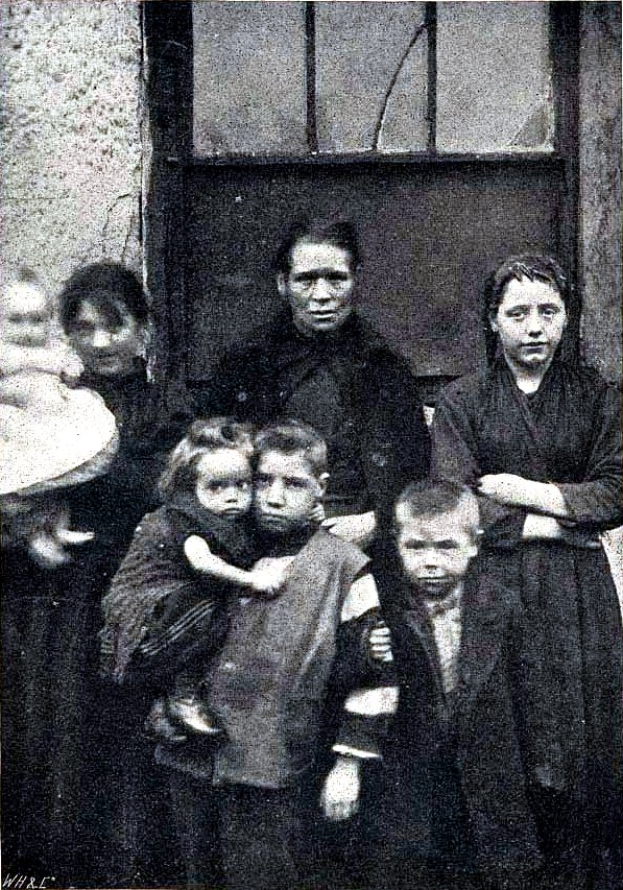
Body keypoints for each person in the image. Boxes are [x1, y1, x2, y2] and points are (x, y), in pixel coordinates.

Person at [133, 421, 396, 890]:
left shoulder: (344, 567)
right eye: (262, 481)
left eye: (293, 484)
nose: (274, 497)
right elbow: (158, 630)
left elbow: (374, 676)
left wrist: (349, 765)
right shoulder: (212, 546)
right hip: (188, 754)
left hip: (272, 763)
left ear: (320, 489)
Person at [431, 255, 623, 889]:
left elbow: (616, 490)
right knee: (500, 731)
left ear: (567, 318)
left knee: (580, 735)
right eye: (517, 313)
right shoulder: (462, 400)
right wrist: (555, 523)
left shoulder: (597, 397)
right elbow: (455, 497)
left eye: (548, 311)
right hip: (495, 586)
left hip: (576, 593)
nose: (534, 327)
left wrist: (528, 492)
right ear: (493, 321)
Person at [2, 263, 190, 886]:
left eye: (115, 326)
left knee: (119, 748)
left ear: (144, 330)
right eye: (83, 329)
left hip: (125, 594)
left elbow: (158, 491)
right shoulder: (53, 403)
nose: (100, 342)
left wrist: (68, 482)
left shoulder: (169, 408)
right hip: (48, 597)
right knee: (48, 734)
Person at [194, 217, 430, 547]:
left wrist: (377, 521)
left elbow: (415, 471)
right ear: (282, 283)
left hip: (359, 534)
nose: (322, 295)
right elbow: (209, 457)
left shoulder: (386, 367)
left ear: (356, 280)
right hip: (259, 534)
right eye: (306, 280)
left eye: (336, 279)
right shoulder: (246, 363)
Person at [365, 480, 549, 890]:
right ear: (397, 545)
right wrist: (366, 649)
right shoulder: (384, 609)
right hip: (411, 777)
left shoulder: (500, 604)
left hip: (487, 770)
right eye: (416, 547)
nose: (431, 562)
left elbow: (529, 690)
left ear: (474, 544)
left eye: (446, 547)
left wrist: (540, 767)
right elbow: (351, 676)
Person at [101, 417, 290, 739]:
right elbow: (202, 562)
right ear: (191, 487)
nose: (232, 497)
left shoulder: (227, 518)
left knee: (216, 616)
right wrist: (251, 579)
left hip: (172, 607)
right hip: (147, 610)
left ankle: (166, 707)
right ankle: (182, 695)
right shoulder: (186, 518)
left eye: (242, 485)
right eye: (217, 487)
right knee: (215, 611)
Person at [0, 267, 118, 566]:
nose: (27, 330)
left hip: (48, 430)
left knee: (54, 484)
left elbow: (73, 372)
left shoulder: (56, 350)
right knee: (16, 491)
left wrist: (69, 373)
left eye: (36, 320)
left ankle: (57, 527)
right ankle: (32, 532)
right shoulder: (3, 353)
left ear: (50, 321)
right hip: (15, 432)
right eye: (16, 320)